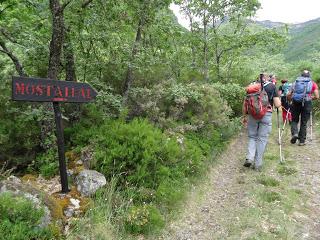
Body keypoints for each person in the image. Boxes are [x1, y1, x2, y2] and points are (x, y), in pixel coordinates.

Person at [243, 73, 281, 171]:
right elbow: (277, 104)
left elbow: (245, 103)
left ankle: (250, 157)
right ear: (267, 78)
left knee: (252, 136)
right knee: (262, 138)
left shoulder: (251, 87)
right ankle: (258, 164)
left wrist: (245, 116)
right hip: (266, 115)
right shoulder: (272, 86)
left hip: (253, 114)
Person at [287, 70, 319, 146]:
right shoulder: (312, 83)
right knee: (304, 122)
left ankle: (295, 133)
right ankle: (302, 141)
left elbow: (288, 94)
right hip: (307, 103)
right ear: (309, 75)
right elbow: (317, 96)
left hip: (295, 102)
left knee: (294, 120)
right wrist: (311, 97)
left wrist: (290, 100)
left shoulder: (295, 82)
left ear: (301, 75)